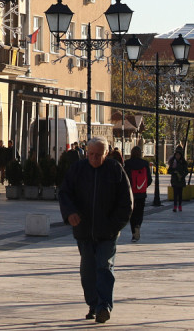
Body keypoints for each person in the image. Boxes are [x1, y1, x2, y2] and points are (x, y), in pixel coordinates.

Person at [58, 137, 132, 324]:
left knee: (104, 267)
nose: (94, 158)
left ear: (106, 154)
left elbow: (126, 203)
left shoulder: (115, 170)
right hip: (84, 232)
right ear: (86, 153)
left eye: (99, 155)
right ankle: (94, 304)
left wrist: (113, 226)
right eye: (91, 154)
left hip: (107, 233)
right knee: (87, 271)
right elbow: (65, 193)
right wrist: (70, 213)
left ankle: (104, 307)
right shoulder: (77, 170)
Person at [123, 146, 153, 241]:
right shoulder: (145, 163)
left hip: (131, 192)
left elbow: (125, 179)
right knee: (140, 212)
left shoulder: (127, 163)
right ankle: (138, 225)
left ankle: (133, 232)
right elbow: (149, 179)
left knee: (132, 213)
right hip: (141, 193)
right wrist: (144, 187)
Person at [167, 147, 188, 212]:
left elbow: (186, 171)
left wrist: (182, 175)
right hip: (174, 180)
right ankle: (175, 206)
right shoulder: (173, 162)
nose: (177, 156)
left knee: (180, 194)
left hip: (181, 180)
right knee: (175, 194)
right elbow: (169, 171)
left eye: (179, 155)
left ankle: (180, 206)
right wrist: (174, 172)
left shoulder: (183, 162)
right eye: (176, 155)